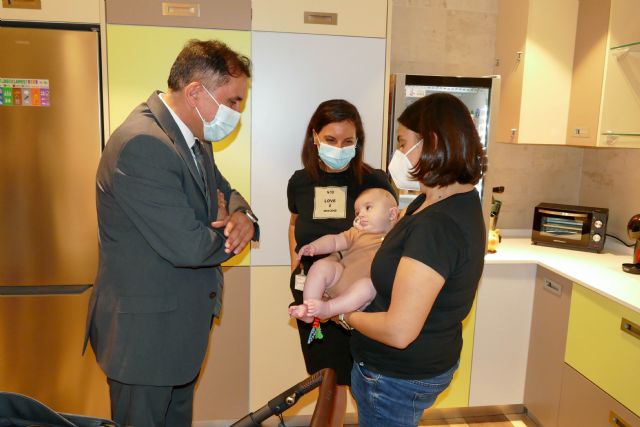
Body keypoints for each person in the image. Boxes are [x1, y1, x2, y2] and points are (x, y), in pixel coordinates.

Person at [83, 39, 259, 427]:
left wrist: (242, 214)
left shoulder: (192, 137)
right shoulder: (143, 144)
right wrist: (236, 234)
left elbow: (226, 191)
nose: (237, 114)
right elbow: (191, 246)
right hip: (145, 341)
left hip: (175, 335)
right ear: (195, 91)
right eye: (232, 102)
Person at [343, 93, 487, 427]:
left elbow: (399, 331)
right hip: (419, 364)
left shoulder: (437, 225)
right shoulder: (438, 200)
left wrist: (348, 315)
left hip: (395, 375)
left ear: (432, 142)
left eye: (403, 143)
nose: (398, 154)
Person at [287, 99, 396, 427]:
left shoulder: (374, 182)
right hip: (312, 298)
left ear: (358, 142)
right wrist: (296, 264)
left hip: (357, 299)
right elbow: (295, 224)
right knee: (326, 377)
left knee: (360, 379)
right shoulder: (300, 181)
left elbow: (394, 233)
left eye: (348, 141)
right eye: (331, 140)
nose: (339, 148)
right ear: (315, 137)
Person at [288, 188, 399, 322]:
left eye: (368, 208)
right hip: (338, 278)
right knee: (321, 265)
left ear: (392, 214)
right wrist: (314, 247)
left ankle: (328, 309)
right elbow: (334, 241)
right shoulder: (357, 232)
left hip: (356, 296)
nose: (360, 215)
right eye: (357, 212)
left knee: (368, 286)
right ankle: (308, 309)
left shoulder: (398, 238)